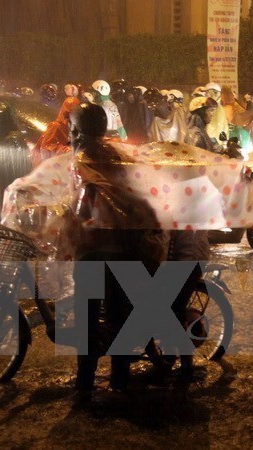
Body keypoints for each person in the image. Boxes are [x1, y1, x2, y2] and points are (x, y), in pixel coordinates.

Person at [68, 103, 166, 398]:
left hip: (94, 250)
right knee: (119, 315)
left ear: (78, 131)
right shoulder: (120, 156)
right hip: (126, 248)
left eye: (72, 127)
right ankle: (120, 379)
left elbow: (81, 208)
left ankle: (85, 381)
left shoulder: (84, 161)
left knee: (87, 318)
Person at [30, 94, 80, 167]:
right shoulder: (56, 126)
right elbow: (46, 148)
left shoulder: (73, 128)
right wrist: (68, 150)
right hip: (50, 168)